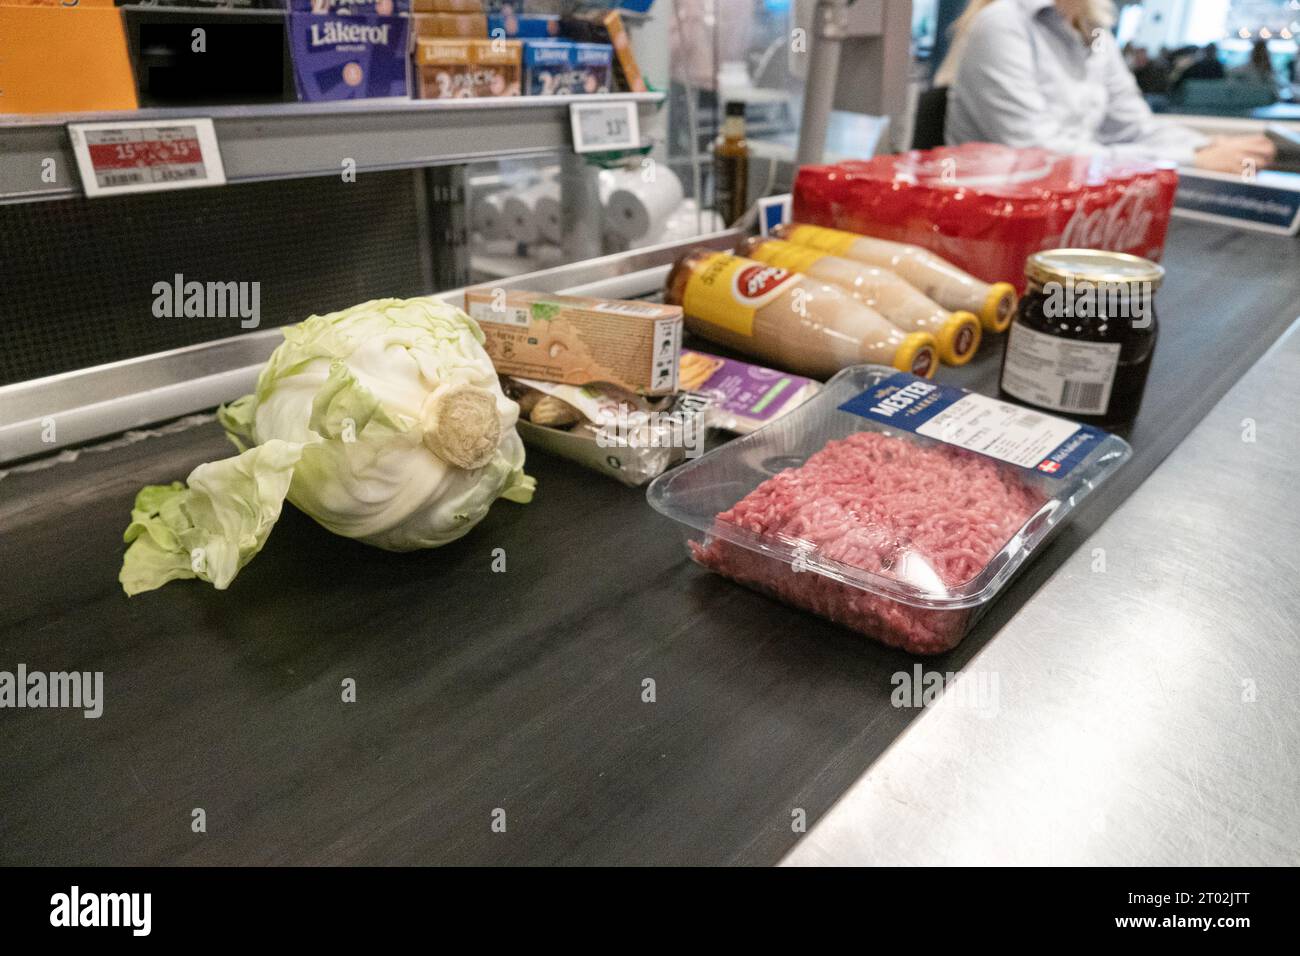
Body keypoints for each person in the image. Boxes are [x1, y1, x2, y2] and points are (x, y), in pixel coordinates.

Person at [942, 0, 1275, 172]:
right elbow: (1036, 150)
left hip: (1073, 202)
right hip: (998, 218)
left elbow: (1133, 127)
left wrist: (1206, 144)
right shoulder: (1003, 22)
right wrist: (1189, 159)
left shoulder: (1095, 32)